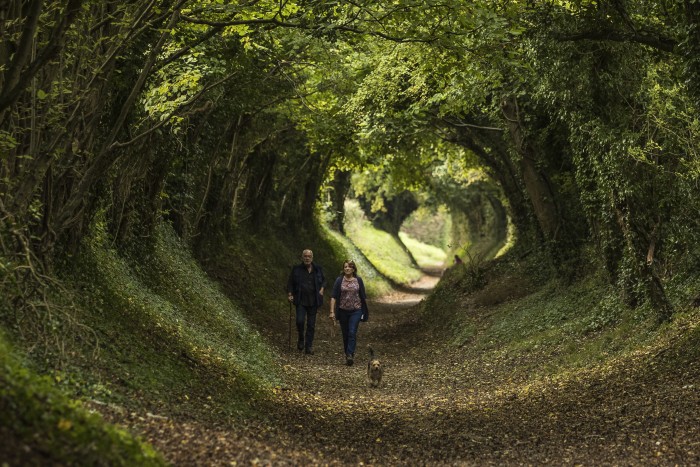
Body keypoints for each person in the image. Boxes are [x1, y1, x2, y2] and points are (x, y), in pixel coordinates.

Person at [329, 260, 369, 366]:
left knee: (352, 332)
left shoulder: (358, 280)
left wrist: (365, 311)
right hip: (342, 311)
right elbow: (333, 296)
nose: (347, 268)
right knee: (345, 334)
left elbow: (363, 297)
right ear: (343, 269)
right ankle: (347, 354)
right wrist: (332, 311)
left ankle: (350, 354)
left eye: (349, 267)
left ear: (353, 269)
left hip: (356, 310)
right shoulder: (339, 280)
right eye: (345, 267)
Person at [287, 249, 325, 354]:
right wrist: (290, 294)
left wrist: (322, 289)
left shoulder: (317, 269)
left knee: (311, 325)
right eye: (305, 256)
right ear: (302, 257)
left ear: (312, 258)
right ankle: (301, 338)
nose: (307, 258)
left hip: (313, 301)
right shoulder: (297, 269)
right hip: (300, 300)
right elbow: (290, 283)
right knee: (299, 321)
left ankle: (309, 346)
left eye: (309, 256)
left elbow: (324, 281)